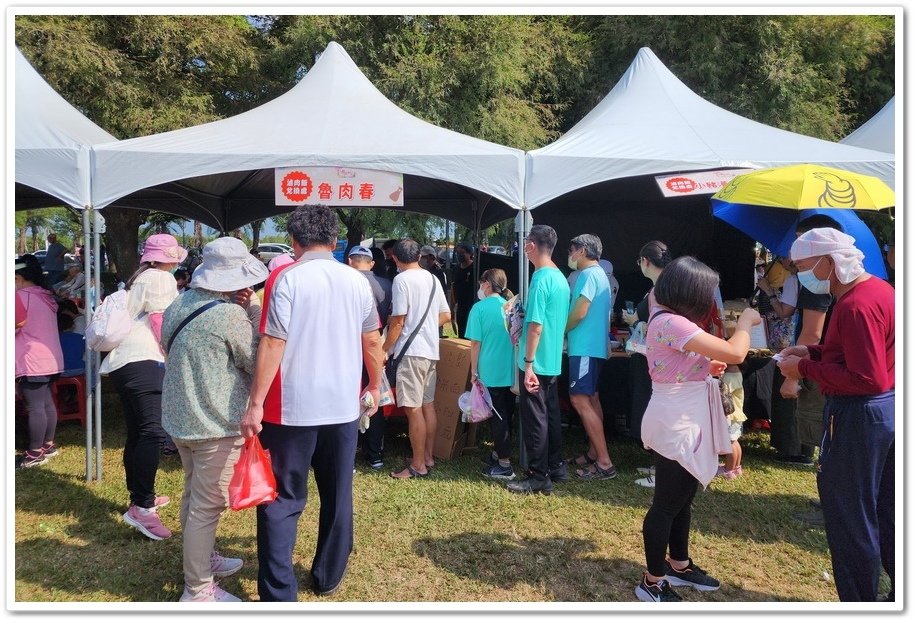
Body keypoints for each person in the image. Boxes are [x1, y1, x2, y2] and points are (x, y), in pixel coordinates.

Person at [241, 205, 383, 601]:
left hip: (290, 409)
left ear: (293, 241)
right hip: (342, 406)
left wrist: (254, 404)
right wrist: (376, 383)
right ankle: (329, 573)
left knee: (283, 498)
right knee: (338, 493)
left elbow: (272, 341)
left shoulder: (283, 278)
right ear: (336, 242)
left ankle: (278, 591)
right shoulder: (358, 281)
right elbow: (371, 339)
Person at [777, 228, 894, 602]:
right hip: (887, 411)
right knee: (886, 510)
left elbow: (866, 377)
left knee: (850, 517)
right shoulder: (879, 290)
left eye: (803, 267)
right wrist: (815, 353)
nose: (800, 276)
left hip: (859, 414)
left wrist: (805, 371)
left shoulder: (856, 304)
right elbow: (863, 355)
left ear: (829, 262)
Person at [635, 256, 761, 602]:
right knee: (666, 503)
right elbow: (737, 352)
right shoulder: (672, 322)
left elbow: (687, 361)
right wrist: (747, 321)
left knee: (682, 499)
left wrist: (704, 364)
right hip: (678, 421)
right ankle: (652, 580)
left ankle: (678, 564)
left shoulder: (667, 316)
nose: (710, 300)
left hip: (685, 415)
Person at [160, 237, 268, 602]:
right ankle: (198, 589)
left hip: (180, 416)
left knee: (194, 494)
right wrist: (253, 312)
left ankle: (202, 560)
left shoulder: (179, 303)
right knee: (207, 507)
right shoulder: (229, 315)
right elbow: (255, 361)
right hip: (214, 422)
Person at [101, 233, 186, 541]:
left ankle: (139, 498)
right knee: (151, 431)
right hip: (145, 359)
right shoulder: (160, 279)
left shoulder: (140, 277)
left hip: (125, 363)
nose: (177, 261)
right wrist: (174, 351)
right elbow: (162, 321)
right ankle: (143, 508)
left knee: (139, 432)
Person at [506, 225, 570, 495]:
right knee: (551, 414)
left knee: (535, 419)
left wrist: (529, 364)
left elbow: (535, 326)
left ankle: (537, 475)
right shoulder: (560, 278)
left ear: (531, 245)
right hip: (552, 358)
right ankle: (555, 466)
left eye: (525, 243)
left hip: (536, 360)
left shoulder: (541, 279)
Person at [383, 239, 451, 479]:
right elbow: (446, 315)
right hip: (430, 351)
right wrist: (425, 330)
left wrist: (385, 348)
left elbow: (398, 321)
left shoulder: (401, 280)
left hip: (410, 353)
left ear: (395, 258)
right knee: (427, 405)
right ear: (420, 255)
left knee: (413, 410)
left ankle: (418, 465)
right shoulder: (432, 278)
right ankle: (428, 457)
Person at [563, 234, 616, 480]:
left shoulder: (587, 275)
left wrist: (561, 329)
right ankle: (595, 452)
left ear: (583, 251)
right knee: (592, 400)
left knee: (580, 400)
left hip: (584, 347)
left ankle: (604, 462)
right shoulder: (601, 275)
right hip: (593, 347)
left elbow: (580, 312)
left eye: (572, 251)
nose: (570, 256)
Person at [622, 240, 672, 487]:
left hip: (656, 360)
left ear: (646, 262)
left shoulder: (660, 289)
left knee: (655, 410)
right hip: (657, 358)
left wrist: (638, 322)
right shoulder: (666, 285)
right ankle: (657, 464)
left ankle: (661, 470)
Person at [15, 255, 65, 468]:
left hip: (32, 360)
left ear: (18, 277)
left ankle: (34, 453)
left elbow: (17, 323)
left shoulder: (20, 296)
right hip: (51, 358)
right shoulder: (45, 296)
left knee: (35, 406)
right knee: (45, 403)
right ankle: (48, 444)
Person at [466, 268, 516, 480]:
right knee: (507, 415)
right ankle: (499, 453)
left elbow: (475, 343)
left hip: (490, 370)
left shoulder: (479, 309)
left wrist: (473, 371)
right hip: (511, 370)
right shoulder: (511, 307)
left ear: (487, 284)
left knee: (497, 418)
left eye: (481, 282)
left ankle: (505, 464)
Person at [347, 245, 393, 470]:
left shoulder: (344, 283)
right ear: (372, 263)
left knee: (348, 399)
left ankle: (349, 453)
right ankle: (375, 454)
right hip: (376, 346)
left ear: (349, 261)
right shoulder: (386, 284)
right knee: (375, 398)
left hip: (349, 348)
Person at [450, 242, 476, 338]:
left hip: (473, 307)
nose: (459, 255)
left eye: (462, 252)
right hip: (461, 308)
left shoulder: (475, 268)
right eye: (457, 252)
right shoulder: (456, 269)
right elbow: (453, 288)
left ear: (470, 254)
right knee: (462, 335)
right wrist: (452, 309)